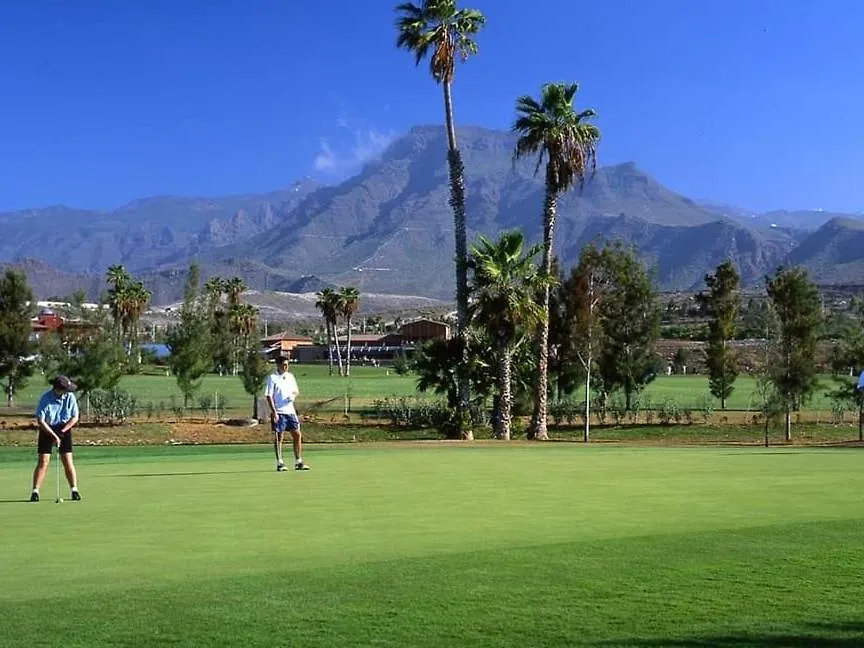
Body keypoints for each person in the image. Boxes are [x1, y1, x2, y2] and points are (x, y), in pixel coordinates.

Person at [31, 375, 82, 502]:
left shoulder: (70, 397)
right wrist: (53, 435)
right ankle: (35, 491)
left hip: (64, 428)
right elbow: (40, 421)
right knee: (43, 461)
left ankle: (74, 490)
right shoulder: (46, 398)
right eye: (65, 389)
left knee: (67, 460)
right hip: (47, 428)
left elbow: (75, 417)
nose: (68, 391)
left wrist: (62, 432)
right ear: (58, 389)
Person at [264, 355, 310, 472]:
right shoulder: (272, 378)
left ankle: (298, 461)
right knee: (279, 437)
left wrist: (292, 396)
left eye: (287, 365)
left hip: (290, 411)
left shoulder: (290, 377)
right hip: (279, 412)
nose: (286, 367)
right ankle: (280, 462)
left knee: (297, 434)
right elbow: (269, 396)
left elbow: (295, 391)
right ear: (278, 365)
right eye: (284, 365)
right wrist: (274, 412)